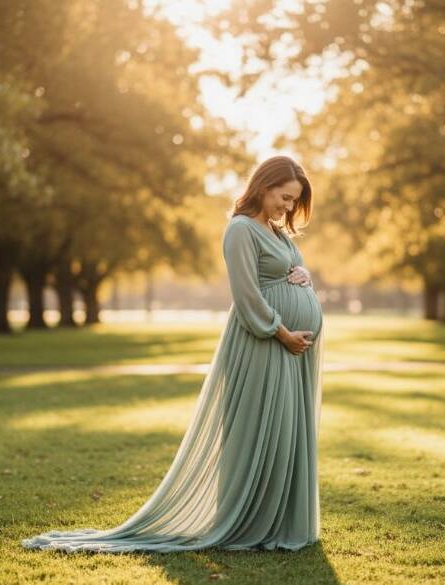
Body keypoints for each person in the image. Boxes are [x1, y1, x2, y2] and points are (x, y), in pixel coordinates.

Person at [21, 155, 324, 553]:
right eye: (285, 198)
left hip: (290, 352)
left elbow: (285, 273)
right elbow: (247, 297)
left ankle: (278, 521)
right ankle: (250, 522)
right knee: (259, 432)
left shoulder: (275, 230)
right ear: (264, 186)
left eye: (294, 202)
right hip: (264, 345)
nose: (288, 207)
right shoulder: (241, 231)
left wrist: (305, 278)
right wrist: (282, 333)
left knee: (285, 434)